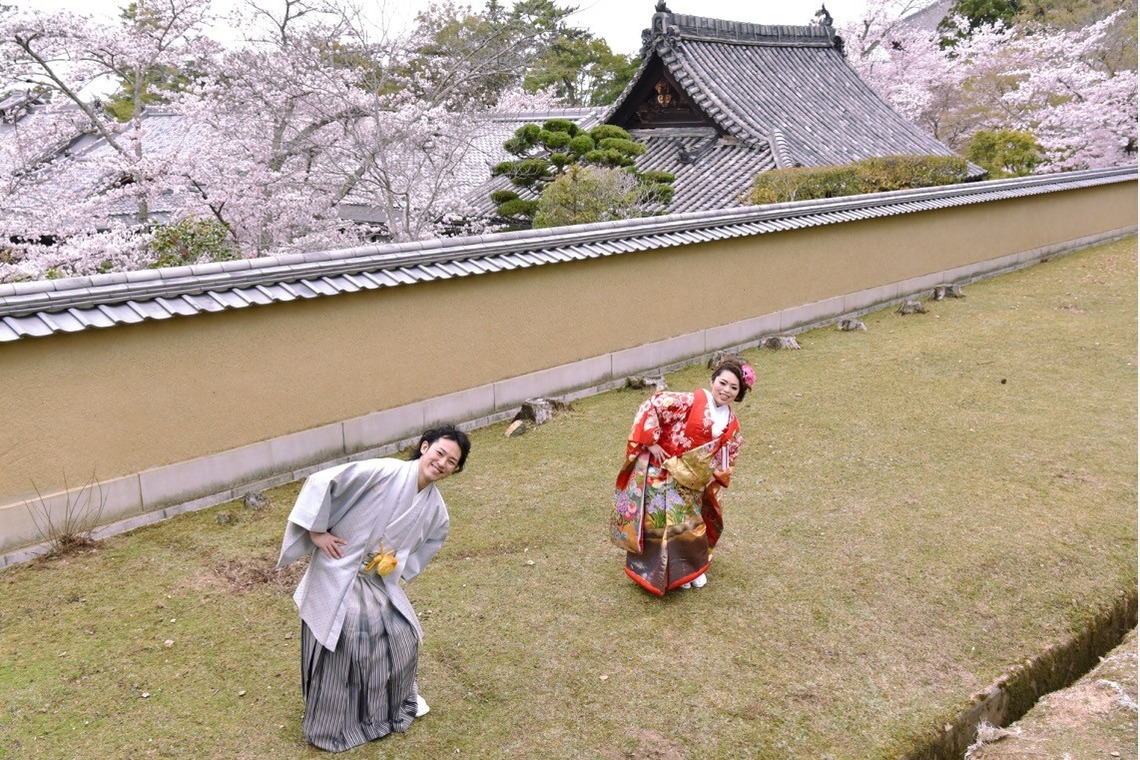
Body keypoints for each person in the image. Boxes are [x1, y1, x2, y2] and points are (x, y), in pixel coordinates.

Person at [276, 425, 471, 752]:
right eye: (440, 453)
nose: (442, 463)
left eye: (452, 462)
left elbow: (436, 536)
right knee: (348, 636)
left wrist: (400, 564)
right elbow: (322, 481)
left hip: (375, 580)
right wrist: (316, 532)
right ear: (425, 448)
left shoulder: (435, 507)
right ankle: (334, 722)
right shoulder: (383, 470)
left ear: (454, 469)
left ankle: (384, 709)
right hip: (340, 569)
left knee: (403, 636)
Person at [609, 358, 752, 596]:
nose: (726, 390)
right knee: (661, 525)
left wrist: (718, 474)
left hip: (694, 480)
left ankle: (688, 570)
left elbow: (729, 451)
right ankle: (663, 572)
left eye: (733, 387)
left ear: (739, 393)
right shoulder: (689, 400)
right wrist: (651, 441)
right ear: (712, 381)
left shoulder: (731, 422)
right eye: (723, 383)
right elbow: (654, 404)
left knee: (690, 525)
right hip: (664, 470)